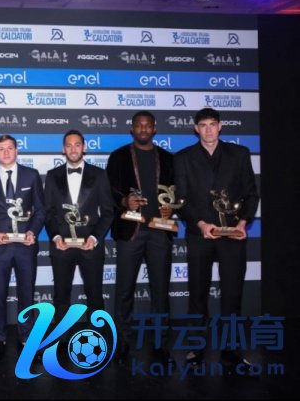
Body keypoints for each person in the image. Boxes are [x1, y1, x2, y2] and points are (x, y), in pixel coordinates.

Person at [174, 107, 259, 367]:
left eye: (213, 124)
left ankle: (232, 350)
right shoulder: (183, 158)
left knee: (232, 294)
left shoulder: (239, 154)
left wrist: (243, 223)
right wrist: (200, 224)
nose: (208, 129)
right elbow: (181, 200)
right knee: (197, 294)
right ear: (196, 129)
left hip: (233, 235)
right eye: (203, 125)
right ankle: (196, 348)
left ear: (220, 127)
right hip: (200, 235)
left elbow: (251, 194)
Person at [106, 111, 175, 364]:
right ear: (132, 129)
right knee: (124, 290)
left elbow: (178, 191)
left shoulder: (168, 158)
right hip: (130, 231)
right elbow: (109, 190)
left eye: (148, 125)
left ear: (154, 129)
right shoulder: (118, 157)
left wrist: (172, 208)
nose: (143, 129)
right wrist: (125, 201)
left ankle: (160, 343)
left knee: (160, 291)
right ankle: (122, 341)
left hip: (159, 231)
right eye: (139, 125)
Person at [0, 134, 45, 360]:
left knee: (27, 294)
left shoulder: (32, 175)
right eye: (1, 149)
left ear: (17, 150)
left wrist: (33, 232)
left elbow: (40, 210)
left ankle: (26, 338)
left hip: (25, 246)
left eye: (10, 148)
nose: (6, 152)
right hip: (0, 247)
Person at [44, 130, 114, 326]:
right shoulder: (52, 176)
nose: (73, 149)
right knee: (61, 296)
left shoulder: (99, 175)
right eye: (69, 145)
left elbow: (108, 212)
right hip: (61, 246)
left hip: (90, 245)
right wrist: (56, 237)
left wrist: (94, 238)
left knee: (95, 296)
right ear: (63, 149)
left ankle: (96, 335)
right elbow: (47, 212)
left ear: (84, 147)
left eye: (77, 145)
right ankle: (62, 337)